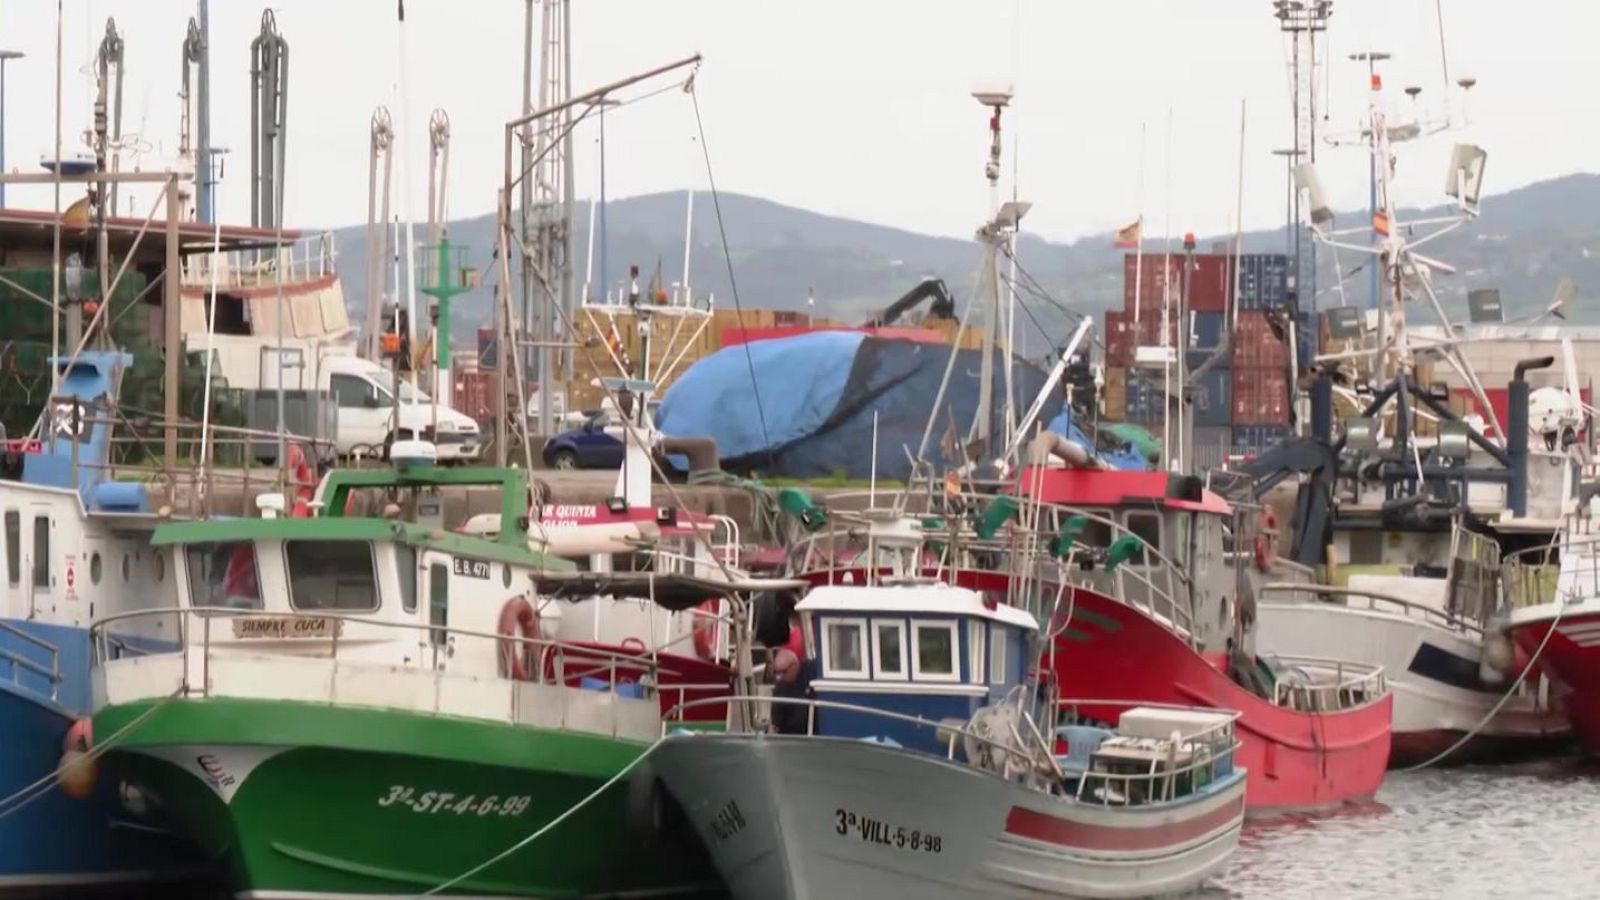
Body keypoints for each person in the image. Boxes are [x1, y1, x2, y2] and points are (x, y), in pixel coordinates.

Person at [769, 648, 813, 735]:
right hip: (790, 735)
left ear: (795, 665)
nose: (779, 677)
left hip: (812, 731)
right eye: (776, 672)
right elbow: (776, 719)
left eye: (783, 672)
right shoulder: (779, 689)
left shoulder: (810, 672)